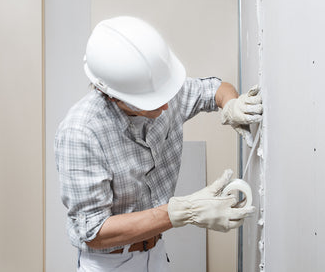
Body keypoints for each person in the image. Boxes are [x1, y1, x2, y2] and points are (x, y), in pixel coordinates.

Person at [54, 16, 262, 271]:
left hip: (156, 252)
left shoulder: (162, 91)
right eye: (152, 101)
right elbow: (94, 231)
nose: (165, 106)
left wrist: (231, 103)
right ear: (113, 95)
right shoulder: (81, 132)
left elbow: (216, 89)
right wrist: (182, 211)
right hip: (109, 263)